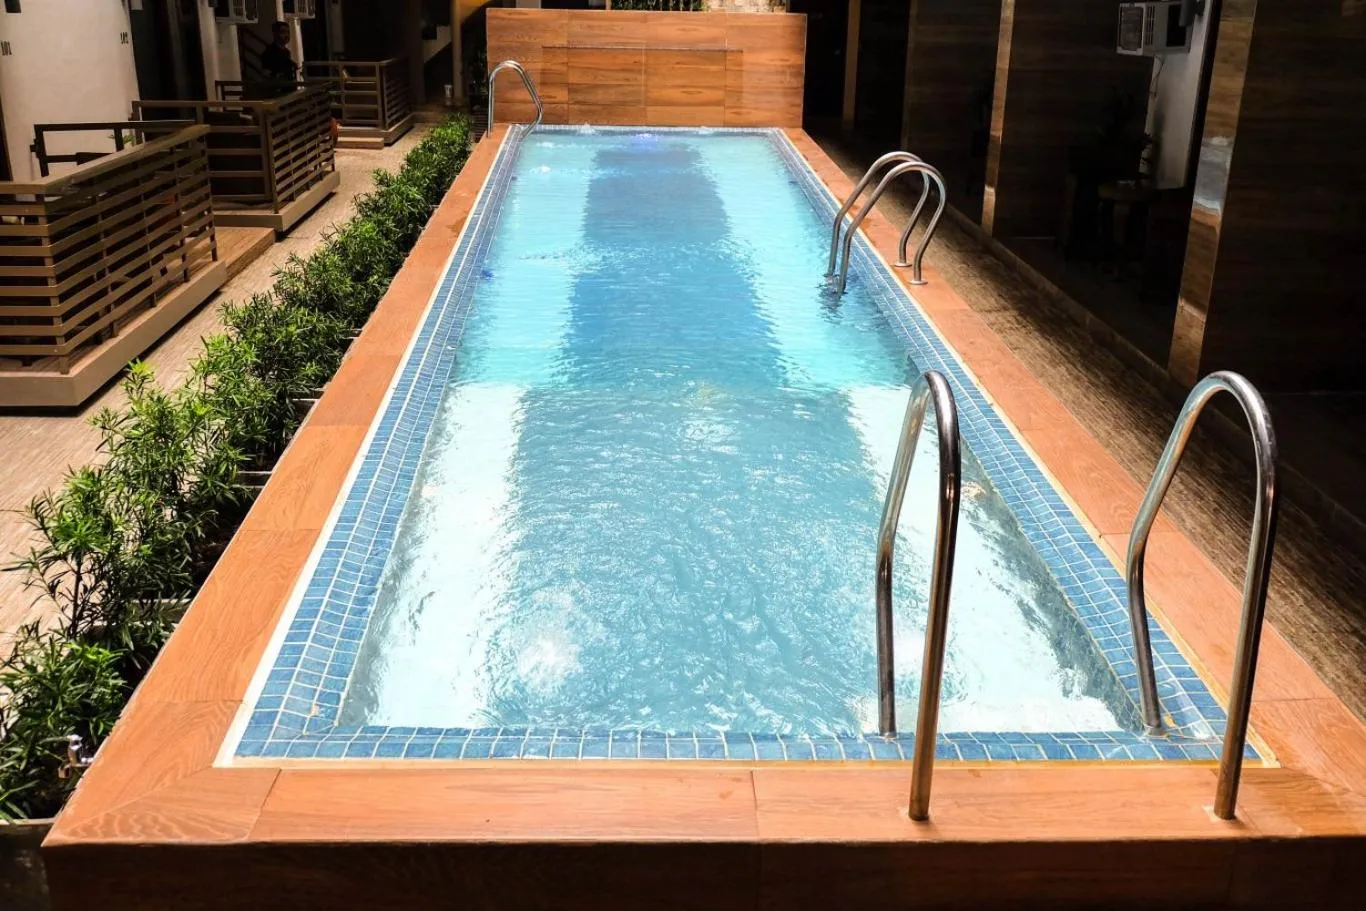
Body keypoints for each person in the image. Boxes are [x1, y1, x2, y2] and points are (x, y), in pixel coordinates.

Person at [261, 21, 297, 92]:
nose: (287, 35)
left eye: (288, 32)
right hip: (278, 92)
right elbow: (266, 74)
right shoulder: (269, 52)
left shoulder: (286, 52)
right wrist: (278, 76)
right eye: (283, 32)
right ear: (275, 34)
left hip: (289, 90)